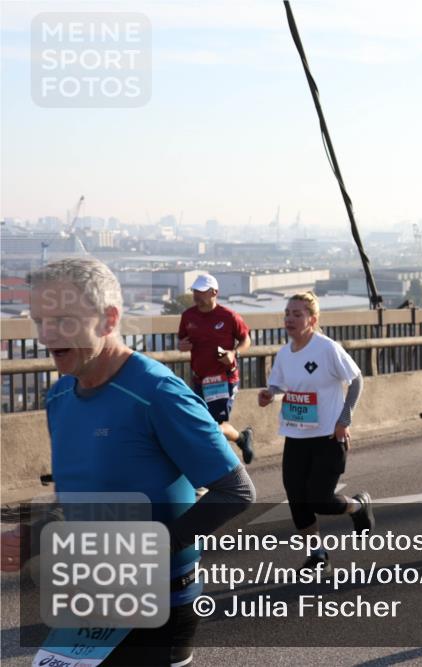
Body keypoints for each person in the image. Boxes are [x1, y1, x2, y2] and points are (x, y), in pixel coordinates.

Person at [2, 257, 255, 666]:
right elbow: (77, 499)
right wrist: (34, 534)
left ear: (108, 319)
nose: (46, 335)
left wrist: (153, 551)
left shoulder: (157, 392)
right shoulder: (59, 397)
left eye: (63, 320)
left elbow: (237, 490)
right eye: (40, 321)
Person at [257, 292, 372, 574]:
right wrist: (269, 394)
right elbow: (279, 386)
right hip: (295, 437)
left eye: (298, 314)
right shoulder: (284, 354)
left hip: (328, 437)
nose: (290, 319)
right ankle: (317, 553)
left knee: (320, 499)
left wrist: (344, 419)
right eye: (287, 313)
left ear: (312, 319)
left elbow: (356, 380)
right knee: (297, 500)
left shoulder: (326, 348)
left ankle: (358, 506)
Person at [178, 273, 255, 464]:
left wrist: (234, 354)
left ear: (214, 292)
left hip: (223, 379)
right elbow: (181, 341)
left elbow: (246, 340)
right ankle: (242, 438)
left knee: (214, 425)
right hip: (199, 379)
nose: (197, 296)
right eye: (195, 291)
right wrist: (182, 345)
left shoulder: (229, 316)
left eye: (201, 292)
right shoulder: (188, 316)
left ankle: (220, 469)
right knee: (206, 424)